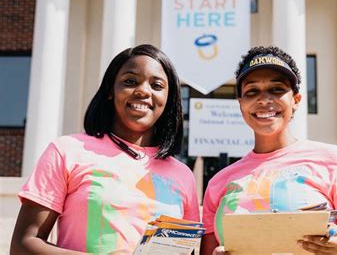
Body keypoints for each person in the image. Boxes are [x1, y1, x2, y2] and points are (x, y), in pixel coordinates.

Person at [10, 44, 200, 254]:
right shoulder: (67, 151)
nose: (143, 91)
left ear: (168, 99)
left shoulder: (183, 176)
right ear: (111, 90)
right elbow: (23, 245)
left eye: (156, 85)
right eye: (130, 81)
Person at [200, 46, 337, 255]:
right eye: (252, 91)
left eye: (277, 89)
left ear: (296, 100)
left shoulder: (334, 161)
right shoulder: (219, 182)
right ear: (241, 104)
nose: (264, 99)